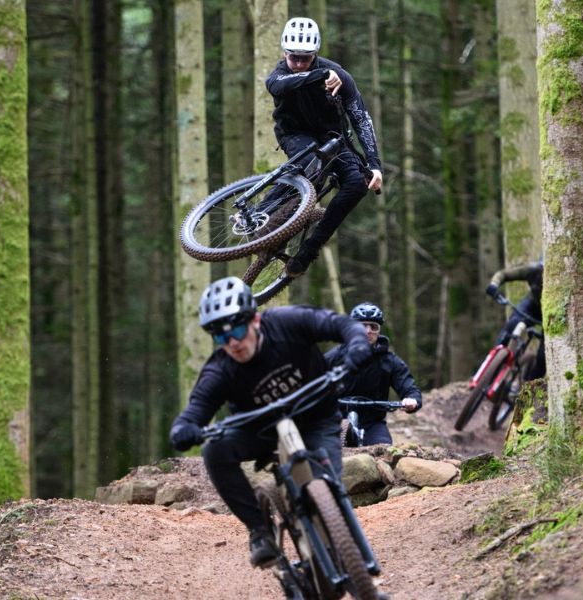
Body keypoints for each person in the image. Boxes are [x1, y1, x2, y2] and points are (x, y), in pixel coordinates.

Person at [168, 276, 372, 568]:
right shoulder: (219, 370)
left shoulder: (288, 322)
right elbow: (194, 412)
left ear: (255, 320)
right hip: (260, 431)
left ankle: (346, 558)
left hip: (316, 418)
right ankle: (260, 531)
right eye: (221, 337)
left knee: (328, 487)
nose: (234, 342)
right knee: (215, 450)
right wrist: (183, 430)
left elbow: (342, 325)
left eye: (237, 328)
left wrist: (357, 347)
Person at [266, 17, 383, 278]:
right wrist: (318, 75)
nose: (297, 64)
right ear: (284, 52)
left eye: (305, 58)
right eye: (293, 57)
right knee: (311, 163)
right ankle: (263, 213)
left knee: (355, 184)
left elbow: (361, 118)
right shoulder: (281, 73)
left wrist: (375, 164)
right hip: (295, 134)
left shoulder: (339, 75)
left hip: (334, 138)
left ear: (315, 54)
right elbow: (275, 86)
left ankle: (308, 251)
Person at [324, 302, 422, 445]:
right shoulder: (334, 356)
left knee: (384, 450)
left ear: (378, 331)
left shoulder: (390, 361)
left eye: (373, 327)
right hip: (335, 419)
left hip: (372, 424)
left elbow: (409, 387)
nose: (368, 331)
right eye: (362, 326)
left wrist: (411, 400)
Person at [485, 259, 545, 380]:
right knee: (512, 325)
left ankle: (527, 389)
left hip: (549, 315)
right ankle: (489, 368)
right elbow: (504, 274)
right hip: (532, 306)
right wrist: (494, 285)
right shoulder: (533, 270)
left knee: (543, 359)